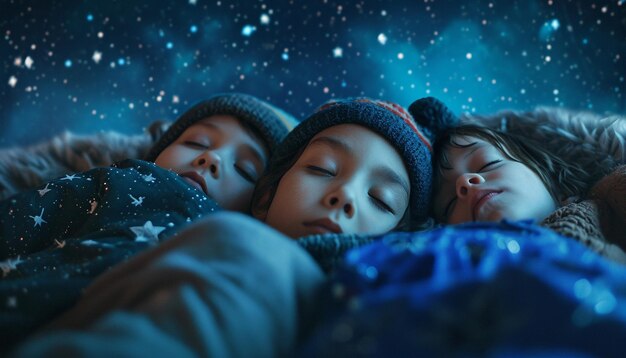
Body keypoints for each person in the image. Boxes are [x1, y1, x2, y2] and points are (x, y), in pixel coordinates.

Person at [8, 96, 457, 357]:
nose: (345, 196)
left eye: (380, 200)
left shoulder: (395, 283)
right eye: (321, 169)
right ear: (263, 198)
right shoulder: (234, 235)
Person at [0, 92, 297, 352]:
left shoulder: (237, 245)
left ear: (259, 206)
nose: (212, 158)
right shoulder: (121, 179)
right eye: (196, 142)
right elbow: (31, 213)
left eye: (245, 170)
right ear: (157, 152)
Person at [431, 124, 626, 262]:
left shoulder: (610, 197)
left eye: (488, 164)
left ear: (551, 177)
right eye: (449, 203)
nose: (464, 183)